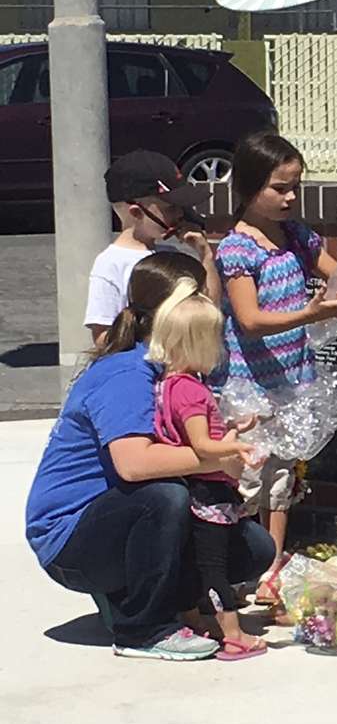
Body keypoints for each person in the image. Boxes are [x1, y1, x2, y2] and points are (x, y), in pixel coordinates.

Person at [26, 253, 276, 661]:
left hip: (117, 521)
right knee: (164, 496)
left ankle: (154, 600)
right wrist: (216, 461)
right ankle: (142, 627)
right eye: (200, 294)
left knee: (253, 548)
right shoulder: (128, 374)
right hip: (70, 543)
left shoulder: (173, 370)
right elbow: (134, 464)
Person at [214, 131, 337, 605]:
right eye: (279, 187)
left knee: (282, 481)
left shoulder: (296, 236)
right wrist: (310, 314)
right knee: (248, 482)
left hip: (294, 381)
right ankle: (237, 572)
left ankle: (272, 572)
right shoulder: (238, 249)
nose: (290, 196)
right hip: (251, 389)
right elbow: (249, 321)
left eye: (296, 185)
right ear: (249, 188)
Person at [146, 280, 268, 660]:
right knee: (215, 566)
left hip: (192, 487)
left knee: (195, 562)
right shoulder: (193, 391)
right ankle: (234, 636)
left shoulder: (170, 385)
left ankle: (195, 620)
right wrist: (238, 447)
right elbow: (201, 446)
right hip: (210, 493)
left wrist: (234, 429)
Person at [84, 150, 221, 346]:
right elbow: (102, 336)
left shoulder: (171, 255)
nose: (179, 214)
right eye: (170, 208)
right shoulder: (111, 264)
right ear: (136, 212)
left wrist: (205, 256)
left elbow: (210, 308)